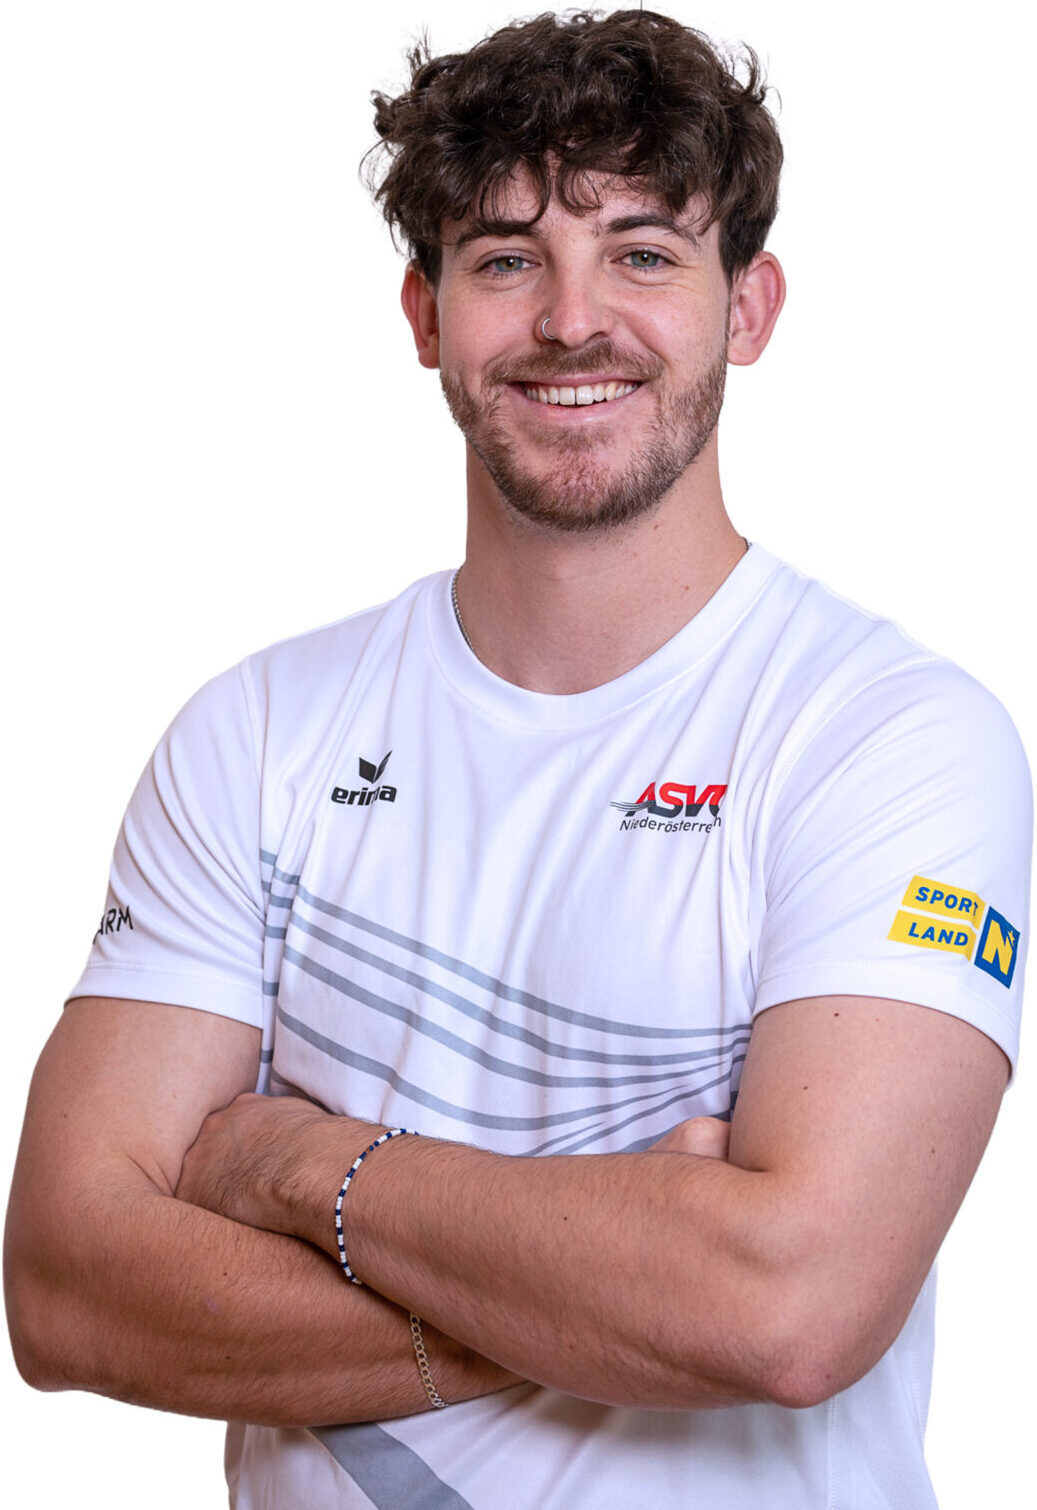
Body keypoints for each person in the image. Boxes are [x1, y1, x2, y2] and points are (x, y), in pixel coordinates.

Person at [5, 9, 1030, 1508]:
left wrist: (300, 1172)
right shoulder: (259, 734)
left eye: (642, 252)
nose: (569, 319)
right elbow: (64, 1289)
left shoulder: (887, 738)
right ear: (424, 315)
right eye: (504, 259)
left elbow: (791, 1308)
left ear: (748, 308)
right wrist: (627, 1278)